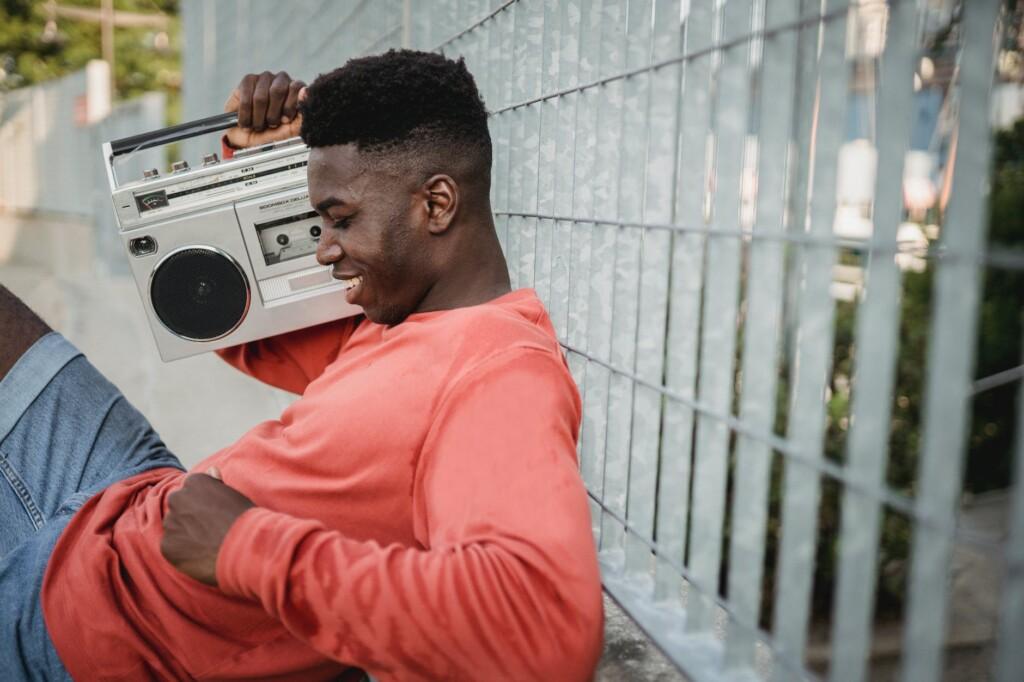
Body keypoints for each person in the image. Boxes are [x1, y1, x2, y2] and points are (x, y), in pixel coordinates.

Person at [0, 50, 603, 681]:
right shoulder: (396, 318)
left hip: (105, 629)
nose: (324, 250)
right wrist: (253, 159)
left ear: (437, 204)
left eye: (341, 220)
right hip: (120, 510)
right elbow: (226, 320)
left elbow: (546, 630)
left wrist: (245, 546)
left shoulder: (500, 376)